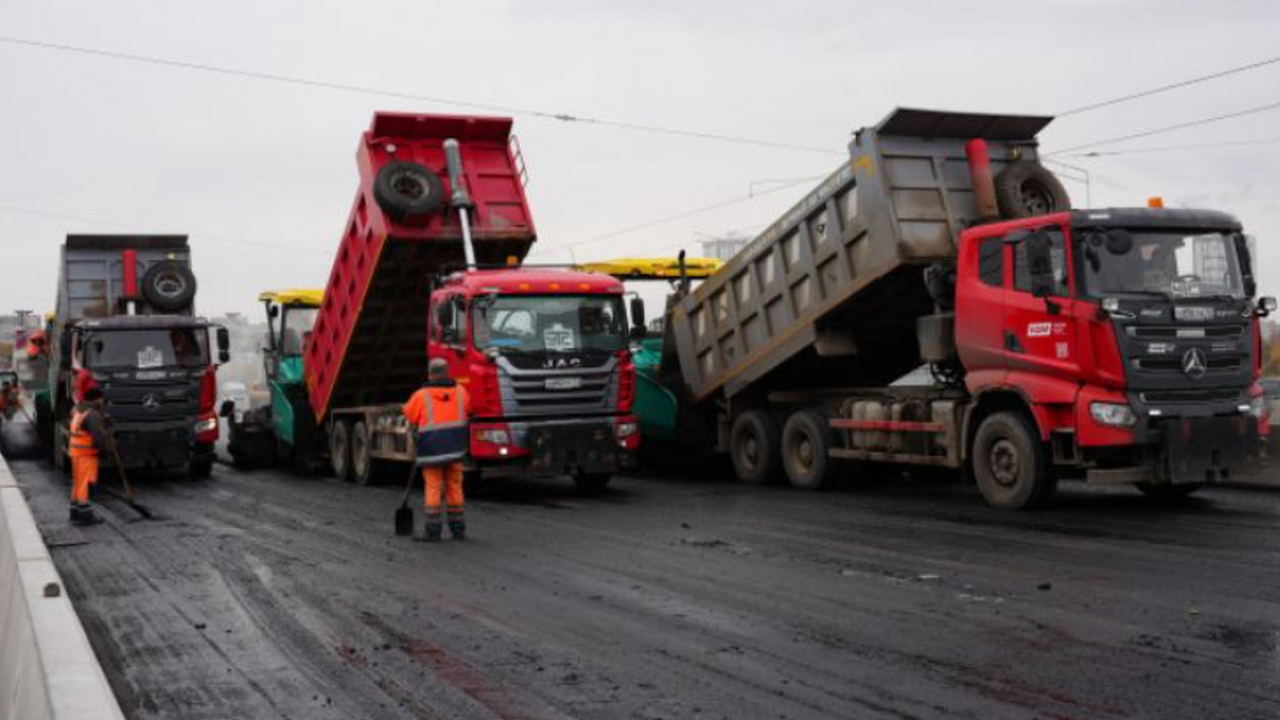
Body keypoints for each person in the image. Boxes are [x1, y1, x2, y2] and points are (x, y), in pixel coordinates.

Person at [402, 359, 471, 541]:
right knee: (455, 486)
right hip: (456, 450)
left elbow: (409, 413)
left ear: (430, 374)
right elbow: (468, 409)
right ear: (447, 372)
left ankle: (433, 531)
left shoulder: (421, 396)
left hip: (432, 452)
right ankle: (458, 529)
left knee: (433, 487)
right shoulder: (461, 392)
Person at [69, 387, 109, 526]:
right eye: (102, 399)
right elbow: (98, 437)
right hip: (87, 454)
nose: (103, 401)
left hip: (76, 453)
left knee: (78, 482)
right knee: (86, 483)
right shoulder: (92, 415)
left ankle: (75, 512)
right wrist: (104, 452)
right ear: (96, 399)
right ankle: (85, 515)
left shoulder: (78, 410)